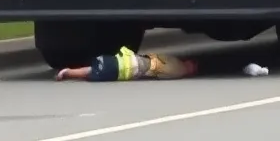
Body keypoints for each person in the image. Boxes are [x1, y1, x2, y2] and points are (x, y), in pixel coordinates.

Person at [56, 47, 198, 81]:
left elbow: (156, 59)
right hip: (127, 70)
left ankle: (67, 72)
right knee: (92, 72)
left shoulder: (177, 66)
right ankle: (67, 72)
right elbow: (158, 73)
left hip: (128, 62)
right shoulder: (176, 72)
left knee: (93, 69)